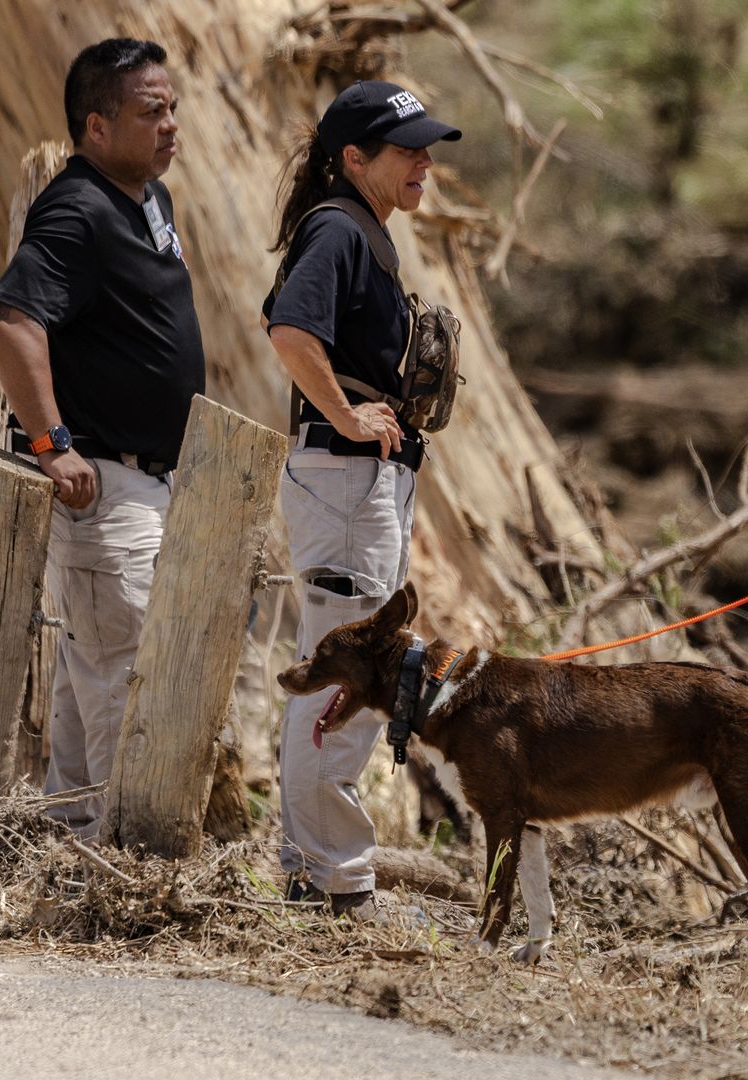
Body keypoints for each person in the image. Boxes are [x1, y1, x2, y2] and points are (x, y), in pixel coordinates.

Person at [0, 38, 203, 839]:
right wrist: (52, 444)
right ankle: (119, 862)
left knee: (92, 675)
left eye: (172, 107)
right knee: (126, 672)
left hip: (148, 479)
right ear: (97, 127)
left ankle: (76, 840)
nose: (171, 125)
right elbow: (14, 318)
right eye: (152, 112)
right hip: (103, 482)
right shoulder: (76, 207)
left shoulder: (147, 199)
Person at [263, 80, 460, 919]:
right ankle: (332, 881)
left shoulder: (364, 231)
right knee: (347, 673)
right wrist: (343, 411)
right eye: (406, 149)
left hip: (361, 481)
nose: (424, 161)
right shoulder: (340, 229)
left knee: (349, 669)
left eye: (427, 147)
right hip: (345, 476)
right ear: (354, 159)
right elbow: (288, 329)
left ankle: (317, 869)